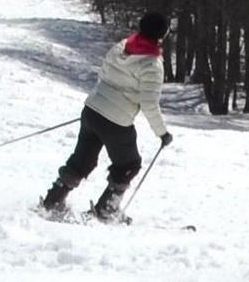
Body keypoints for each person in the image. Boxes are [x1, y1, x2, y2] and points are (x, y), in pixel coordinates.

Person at [39, 12, 174, 221]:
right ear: (162, 34)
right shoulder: (152, 64)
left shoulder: (123, 46)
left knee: (82, 159)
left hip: (92, 109)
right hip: (116, 121)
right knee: (129, 164)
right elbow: (149, 104)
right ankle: (106, 210)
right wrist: (162, 133)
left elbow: (103, 73)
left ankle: (52, 201)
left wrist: (102, 102)